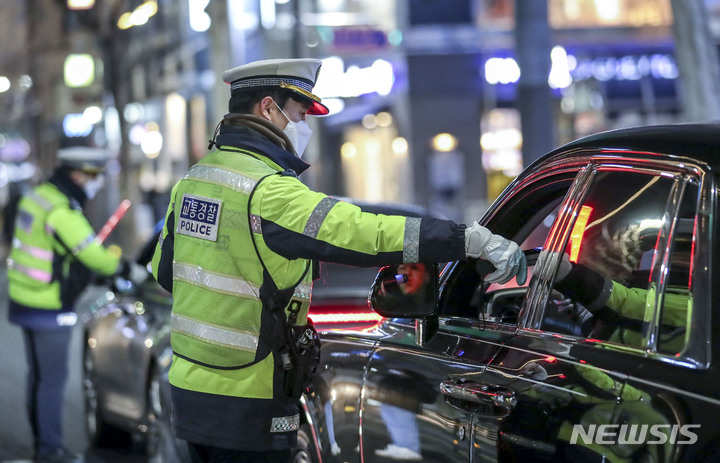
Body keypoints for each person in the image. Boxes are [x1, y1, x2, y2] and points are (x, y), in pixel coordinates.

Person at [150, 57, 527, 463]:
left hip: (190, 393)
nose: (303, 127)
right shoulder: (269, 192)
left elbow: (165, 273)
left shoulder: (194, 181)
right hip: (249, 398)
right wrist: (466, 239)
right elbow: (364, 232)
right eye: (298, 113)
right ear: (267, 108)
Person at [6, 147, 130, 462]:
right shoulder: (61, 211)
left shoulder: (38, 197)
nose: (97, 183)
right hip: (49, 305)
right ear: (78, 175)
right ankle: (50, 451)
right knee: (52, 381)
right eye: (95, 176)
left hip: (24, 297)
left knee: (37, 377)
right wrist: (121, 266)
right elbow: (93, 255)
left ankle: (41, 446)